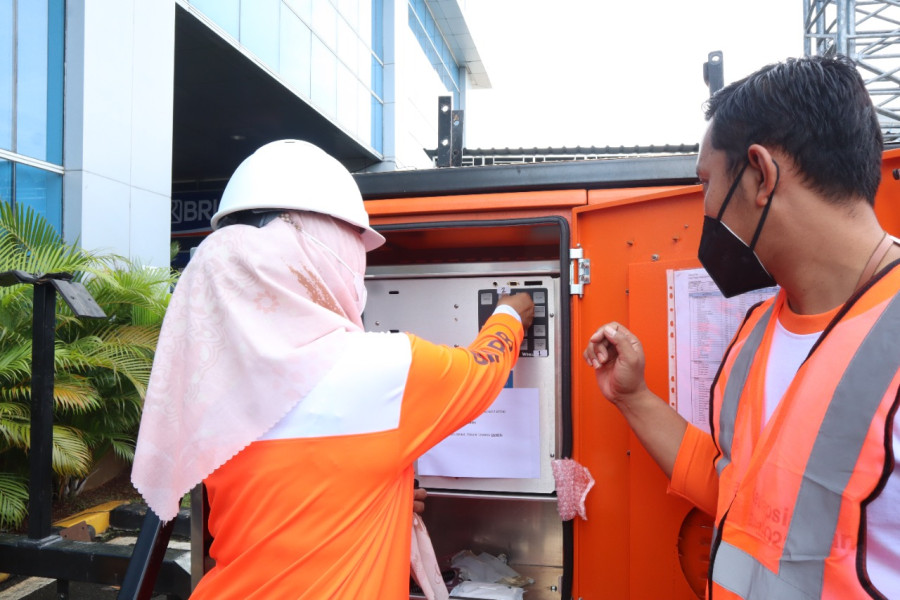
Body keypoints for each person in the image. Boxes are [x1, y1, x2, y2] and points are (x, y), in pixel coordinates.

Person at [131, 139, 534, 599]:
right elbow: (482, 370)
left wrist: (387, 490)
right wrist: (509, 314)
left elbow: (292, 502)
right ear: (332, 253)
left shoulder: (213, 384)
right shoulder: (381, 369)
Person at [583, 55, 900, 598]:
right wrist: (631, 397)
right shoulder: (757, 332)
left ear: (761, 174)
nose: (704, 206)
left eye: (706, 182)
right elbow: (741, 487)